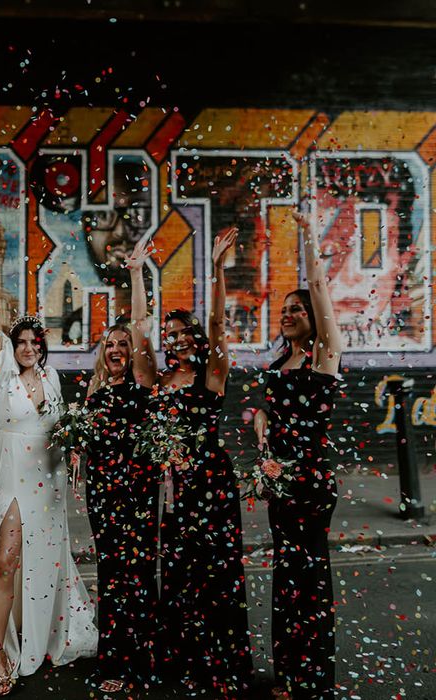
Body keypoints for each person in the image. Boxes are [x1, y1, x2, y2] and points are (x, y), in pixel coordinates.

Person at [0, 238, 97, 696]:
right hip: (14, 482)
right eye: (19, 341)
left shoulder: (53, 378)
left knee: (42, 563)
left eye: (32, 341)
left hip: (50, 485)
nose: (25, 347)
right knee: (5, 563)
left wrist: (75, 444)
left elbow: (60, 429)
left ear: (41, 346)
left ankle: (37, 638)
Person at [155, 227, 253, 696]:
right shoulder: (158, 380)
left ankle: (224, 662)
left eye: (178, 333)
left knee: (216, 571)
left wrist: (216, 270)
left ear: (192, 336)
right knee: (177, 569)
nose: (172, 340)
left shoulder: (211, 376)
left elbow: (218, 327)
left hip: (210, 482)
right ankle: (182, 660)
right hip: (173, 485)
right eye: (166, 335)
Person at [254, 211, 343, 699]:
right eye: (284, 309)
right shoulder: (278, 363)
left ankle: (313, 680)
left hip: (311, 482)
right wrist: (264, 451)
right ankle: (289, 673)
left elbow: (319, 290)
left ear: (314, 318)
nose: (287, 314)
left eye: (298, 309)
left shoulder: (324, 354)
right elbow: (267, 416)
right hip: (281, 482)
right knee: (286, 575)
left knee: (309, 577)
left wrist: (308, 238)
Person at [81, 238, 160, 692]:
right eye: (109, 343)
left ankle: (141, 661)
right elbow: (87, 439)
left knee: (138, 570)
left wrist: (135, 272)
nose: (116, 349)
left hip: (138, 490)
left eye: (122, 344)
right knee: (111, 572)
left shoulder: (143, 381)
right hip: (102, 493)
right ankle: (113, 661)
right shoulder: (94, 391)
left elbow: (141, 326)